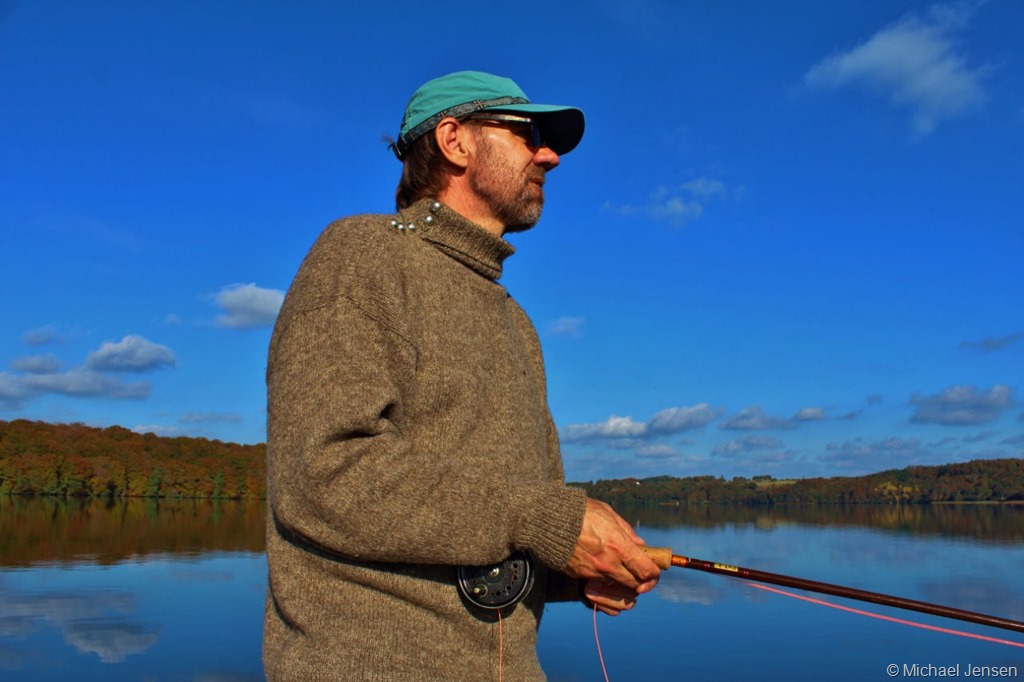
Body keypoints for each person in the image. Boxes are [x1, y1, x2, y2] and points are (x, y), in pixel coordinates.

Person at [263, 70, 661, 681]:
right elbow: (323, 474)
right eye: (528, 134)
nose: (549, 155)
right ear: (455, 141)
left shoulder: (515, 321)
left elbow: (487, 535)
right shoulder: (360, 255)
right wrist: (547, 522)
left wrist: (573, 567)